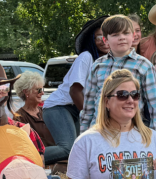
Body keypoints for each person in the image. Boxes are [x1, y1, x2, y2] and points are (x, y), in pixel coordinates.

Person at [80, 14, 156, 135]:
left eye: (126, 33)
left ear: (133, 36)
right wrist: (83, 135)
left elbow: (155, 108)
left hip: (130, 133)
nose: (122, 38)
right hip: (99, 132)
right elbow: (88, 106)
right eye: (115, 35)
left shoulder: (144, 65)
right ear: (105, 40)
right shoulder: (97, 65)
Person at [42, 15, 109, 159]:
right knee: (68, 148)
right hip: (59, 106)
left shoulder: (105, 62)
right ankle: (25, 158)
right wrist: (92, 117)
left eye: (106, 36)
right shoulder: (86, 57)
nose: (103, 41)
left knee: (81, 148)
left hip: (75, 108)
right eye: (99, 37)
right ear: (91, 39)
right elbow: (75, 91)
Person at [14, 71, 64, 163]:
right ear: (26, 92)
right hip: (40, 161)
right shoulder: (19, 117)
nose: (42, 93)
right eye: (38, 90)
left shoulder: (46, 111)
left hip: (60, 160)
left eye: (42, 89)